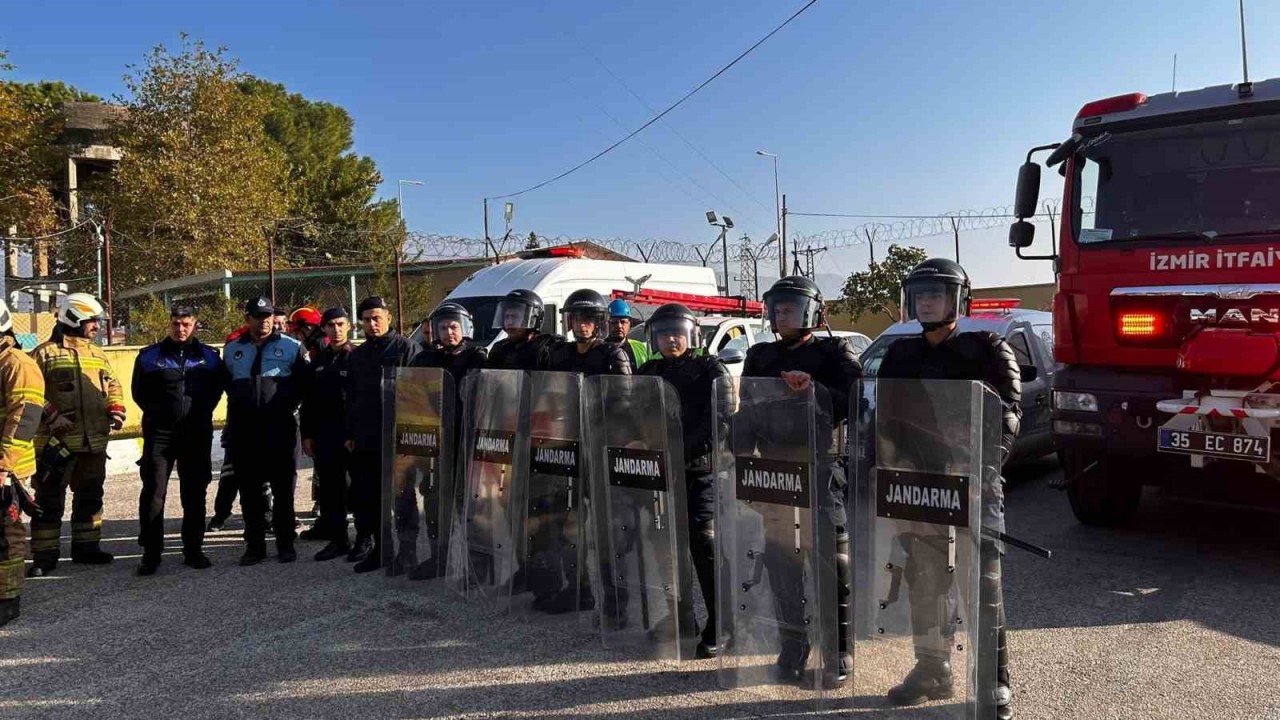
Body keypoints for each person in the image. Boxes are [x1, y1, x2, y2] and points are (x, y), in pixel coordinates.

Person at [875, 258, 1021, 719]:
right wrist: (890, 463)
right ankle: (932, 670)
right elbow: (885, 416)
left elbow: (1009, 416)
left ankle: (993, 681)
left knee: (982, 586)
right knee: (925, 583)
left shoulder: (989, 347)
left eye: (936, 294)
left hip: (973, 484)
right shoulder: (899, 354)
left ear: (959, 299)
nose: (927, 302)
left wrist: (982, 470)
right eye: (920, 295)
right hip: (918, 488)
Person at [742, 275, 860, 684]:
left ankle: (837, 650)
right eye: (777, 307)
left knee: (829, 564)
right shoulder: (759, 355)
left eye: (791, 306)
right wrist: (741, 456)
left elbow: (856, 399)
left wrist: (815, 388)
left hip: (821, 468)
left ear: (812, 311)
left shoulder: (834, 351)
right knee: (781, 563)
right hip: (775, 472)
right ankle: (793, 643)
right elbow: (747, 408)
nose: (782, 313)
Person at [636, 303, 731, 657]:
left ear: (691, 334)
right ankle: (680, 615)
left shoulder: (709, 368)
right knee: (664, 544)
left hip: (698, 470)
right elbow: (634, 412)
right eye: (663, 333)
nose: (670, 339)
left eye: (676, 332)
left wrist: (680, 450)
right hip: (659, 471)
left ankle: (721, 623)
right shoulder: (648, 370)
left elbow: (719, 419)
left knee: (702, 544)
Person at [27, 293, 125, 575]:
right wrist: (51, 415)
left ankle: (87, 548)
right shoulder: (44, 354)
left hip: (93, 442)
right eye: (91, 321)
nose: (96, 326)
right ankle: (44, 557)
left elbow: (113, 386)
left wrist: (115, 409)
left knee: (91, 497)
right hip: (56, 445)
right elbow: (30, 392)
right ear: (74, 319)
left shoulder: (98, 354)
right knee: (48, 501)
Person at [132, 306, 224, 575]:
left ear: (195, 324)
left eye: (186, 324)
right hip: (160, 435)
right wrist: (161, 414)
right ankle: (151, 554)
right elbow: (139, 393)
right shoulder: (149, 357)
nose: (180, 329)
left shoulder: (210, 357)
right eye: (175, 323)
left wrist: (200, 413)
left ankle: (193, 550)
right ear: (169, 324)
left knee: (194, 493)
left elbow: (217, 390)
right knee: (153, 493)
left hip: (195, 434)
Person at [222, 296, 308, 566]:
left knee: (283, 489)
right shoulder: (232, 349)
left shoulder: (292, 347)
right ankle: (255, 545)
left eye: (268, 316)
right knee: (249, 490)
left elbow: (305, 385)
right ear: (248, 318)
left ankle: (285, 543)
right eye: (258, 316)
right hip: (245, 430)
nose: (264, 321)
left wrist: (289, 409)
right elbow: (228, 389)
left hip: (279, 427)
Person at [404, 302, 486, 579]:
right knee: (435, 503)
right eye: (443, 327)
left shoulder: (478, 358)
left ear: (465, 327)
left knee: (471, 506)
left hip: (467, 443)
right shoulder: (425, 360)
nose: (449, 332)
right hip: (435, 445)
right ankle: (439, 558)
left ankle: (479, 565)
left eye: (454, 326)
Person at [345, 296, 418, 573]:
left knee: (403, 498)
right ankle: (382, 551)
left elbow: (418, 394)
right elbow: (351, 398)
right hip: (367, 439)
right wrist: (350, 433)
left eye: (377, 318)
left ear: (389, 318)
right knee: (370, 499)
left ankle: (407, 552)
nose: (372, 324)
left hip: (399, 439)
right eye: (366, 319)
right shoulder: (358, 356)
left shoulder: (406, 349)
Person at [0, 299, 44, 626]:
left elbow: (26, 416)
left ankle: (8, 598)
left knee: (5, 534)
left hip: (7, 468)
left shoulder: (16, 363)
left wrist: (2, 465)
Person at [302, 307, 355, 561]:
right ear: (323, 328)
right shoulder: (318, 360)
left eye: (341, 324)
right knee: (330, 491)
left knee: (357, 489)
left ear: (349, 326)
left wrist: (355, 433)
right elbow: (309, 401)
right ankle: (338, 540)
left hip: (351, 435)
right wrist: (307, 435)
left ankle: (366, 540)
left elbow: (363, 400)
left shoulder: (357, 357)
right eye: (331, 325)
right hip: (325, 435)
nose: (336, 330)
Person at [546, 289, 630, 376]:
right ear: (570, 322)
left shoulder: (612, 355)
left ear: (598, 323)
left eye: (587, 319)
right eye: (577, 320)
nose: (581, 325)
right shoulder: (561, 354)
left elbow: (624, 388)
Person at [486, 289, 556, 371]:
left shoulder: (545, 349)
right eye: (507, 317)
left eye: (515, 317)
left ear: (532, 320)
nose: (510, 322)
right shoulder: (498, 349)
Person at [606, 299, 650, 370]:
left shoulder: (640, 348)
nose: (619, 326)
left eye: (623, 322)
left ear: (629, 323)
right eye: (614, 322)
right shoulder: (599, 349)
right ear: (607, 324)